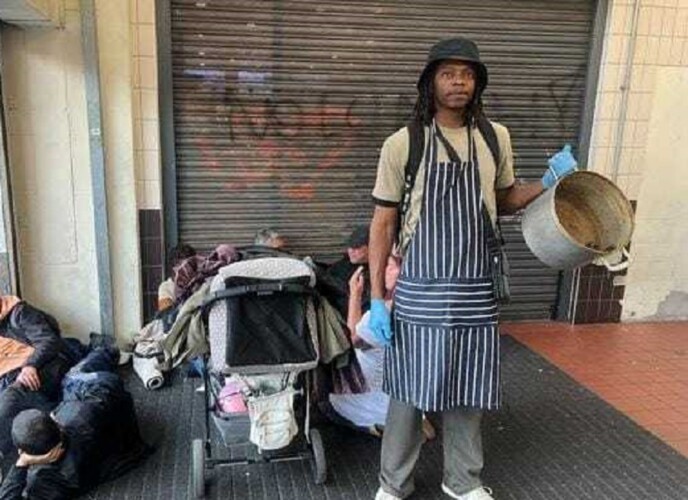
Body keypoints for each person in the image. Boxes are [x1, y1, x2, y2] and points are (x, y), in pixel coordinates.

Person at [368, 38, 577, 500]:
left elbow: (503, 200)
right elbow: (383, 223)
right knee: (408, 389)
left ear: (477, 82)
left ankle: (462, 481)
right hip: (421, 284)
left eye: (467, 74)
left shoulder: (494, 137)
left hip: (476, 283)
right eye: (448, 73)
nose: (458, 82)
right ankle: (393, 484)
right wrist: (377, 299)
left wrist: (548, 182)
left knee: (470, 384)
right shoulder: (404, 143)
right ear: (430, 82)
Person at [0, 347, 149, 499]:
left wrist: (22, 463)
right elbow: (110, 384)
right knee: (72, 377)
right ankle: (107, 350)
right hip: (126, 448)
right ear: (55, 422)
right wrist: (68, 399)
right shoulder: (83, 413)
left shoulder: (43, 484)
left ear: (22, 452)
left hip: (107, 468)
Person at [328, 255, 436, 440]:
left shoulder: (380, 315)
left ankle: (378, 427)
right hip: (407, 393)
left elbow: (351, 341)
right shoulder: (428, 310)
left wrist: (355, 294)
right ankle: (410, 421)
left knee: (328, 403)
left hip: (365, 397)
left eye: (390, 266)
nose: (384, 270)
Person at [0, 296, 74, 457]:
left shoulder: (19, 312)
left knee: (8, 402)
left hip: (42, 367)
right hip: (10, 378)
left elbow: (48, 340)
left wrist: (30, 365)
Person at [320, 225, 371, 318]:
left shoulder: (383, 267)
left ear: (370, 247)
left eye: (356, 248)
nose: (351, 251)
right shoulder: (341, 268)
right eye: (349, 247)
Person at [158, 243, 197, 311]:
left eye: (192, 265)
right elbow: (167, 313)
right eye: (186, 266)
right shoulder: (166, 287)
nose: (190, 270)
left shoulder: (198, 282)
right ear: (175, 267)